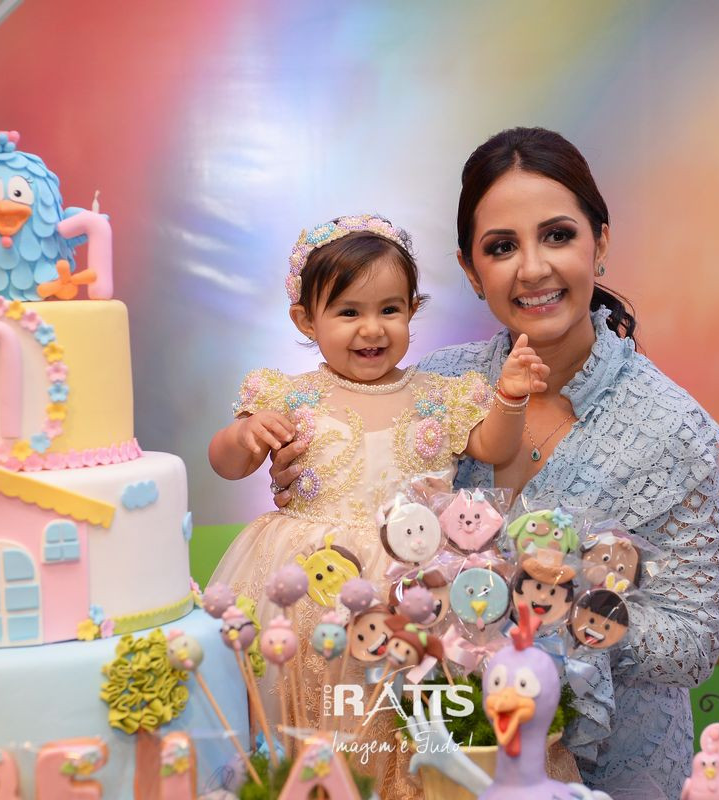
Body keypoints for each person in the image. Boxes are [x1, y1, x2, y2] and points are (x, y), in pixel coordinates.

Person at [271, 129, 719, 799]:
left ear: (600, 243)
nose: (532, 269)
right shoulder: (436, 389)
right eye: (502, 247)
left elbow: (692, 644)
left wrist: (546, 614)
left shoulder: (672, 429)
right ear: (470, 270)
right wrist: (305, 471)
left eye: (557, 236)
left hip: (611, 774)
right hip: (443, 765)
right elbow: (368, 511)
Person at [207, 213, 547, 788]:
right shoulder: (287, 395)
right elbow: (227, 463)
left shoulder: (440, 396)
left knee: (400, 706)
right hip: (311, 577)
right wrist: (245, 434)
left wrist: (510, 398)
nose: (372, 329)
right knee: (311, 697)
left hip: (411, 576)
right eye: (348, 312)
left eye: (390, 309)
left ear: (412, 310)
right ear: (305, 320)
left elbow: (493, 447)